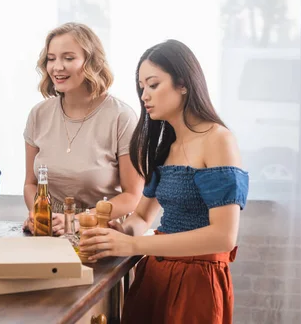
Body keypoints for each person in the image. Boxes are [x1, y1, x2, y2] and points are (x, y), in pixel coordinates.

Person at [79, 39, 249, 324]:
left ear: (183, 83)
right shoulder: (166, 145)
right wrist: (119, 231)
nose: (145, 95)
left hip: (197, 284)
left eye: (153, 85)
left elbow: (223, 236)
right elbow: (143, 216)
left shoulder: (218, 139)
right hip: (156, 276)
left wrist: (132, 247)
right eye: (141, 87)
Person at [23, 22, 143, 235]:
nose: (57, 67)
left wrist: (78, 220)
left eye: (68, 58)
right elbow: (30, 184)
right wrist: (39, 215)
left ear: (92, 62)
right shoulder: (38, 114)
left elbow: (132, 196)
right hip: (50, 232)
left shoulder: (122, 117)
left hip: (101, 232)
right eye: (51, 59)